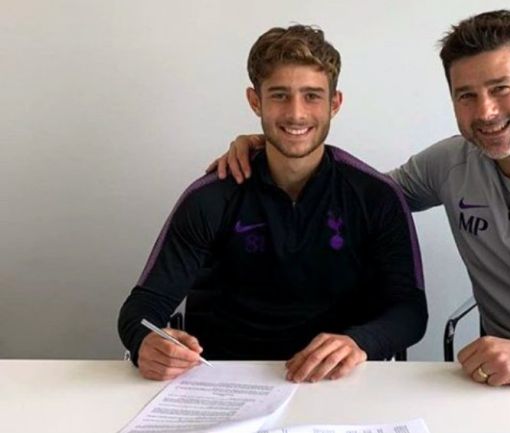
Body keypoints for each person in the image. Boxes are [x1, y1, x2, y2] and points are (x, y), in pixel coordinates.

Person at [210, 10, 510, 387]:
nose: (485, 112)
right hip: (496, 379)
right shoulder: (449, 163)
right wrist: (276, 145)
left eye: (501, 88)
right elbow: (354, 197)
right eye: (466, 95)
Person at [118, 24, 427, 382]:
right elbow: (142, 307)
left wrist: (360, 342)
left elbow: (410, 310)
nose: (296, 114)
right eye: (280, 95)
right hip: (223, 381)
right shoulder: (210, 197)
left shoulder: (376, 195)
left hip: (337, 381)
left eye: (312, 96)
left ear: (335, 104)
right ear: (255, 101)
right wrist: (147, 342)